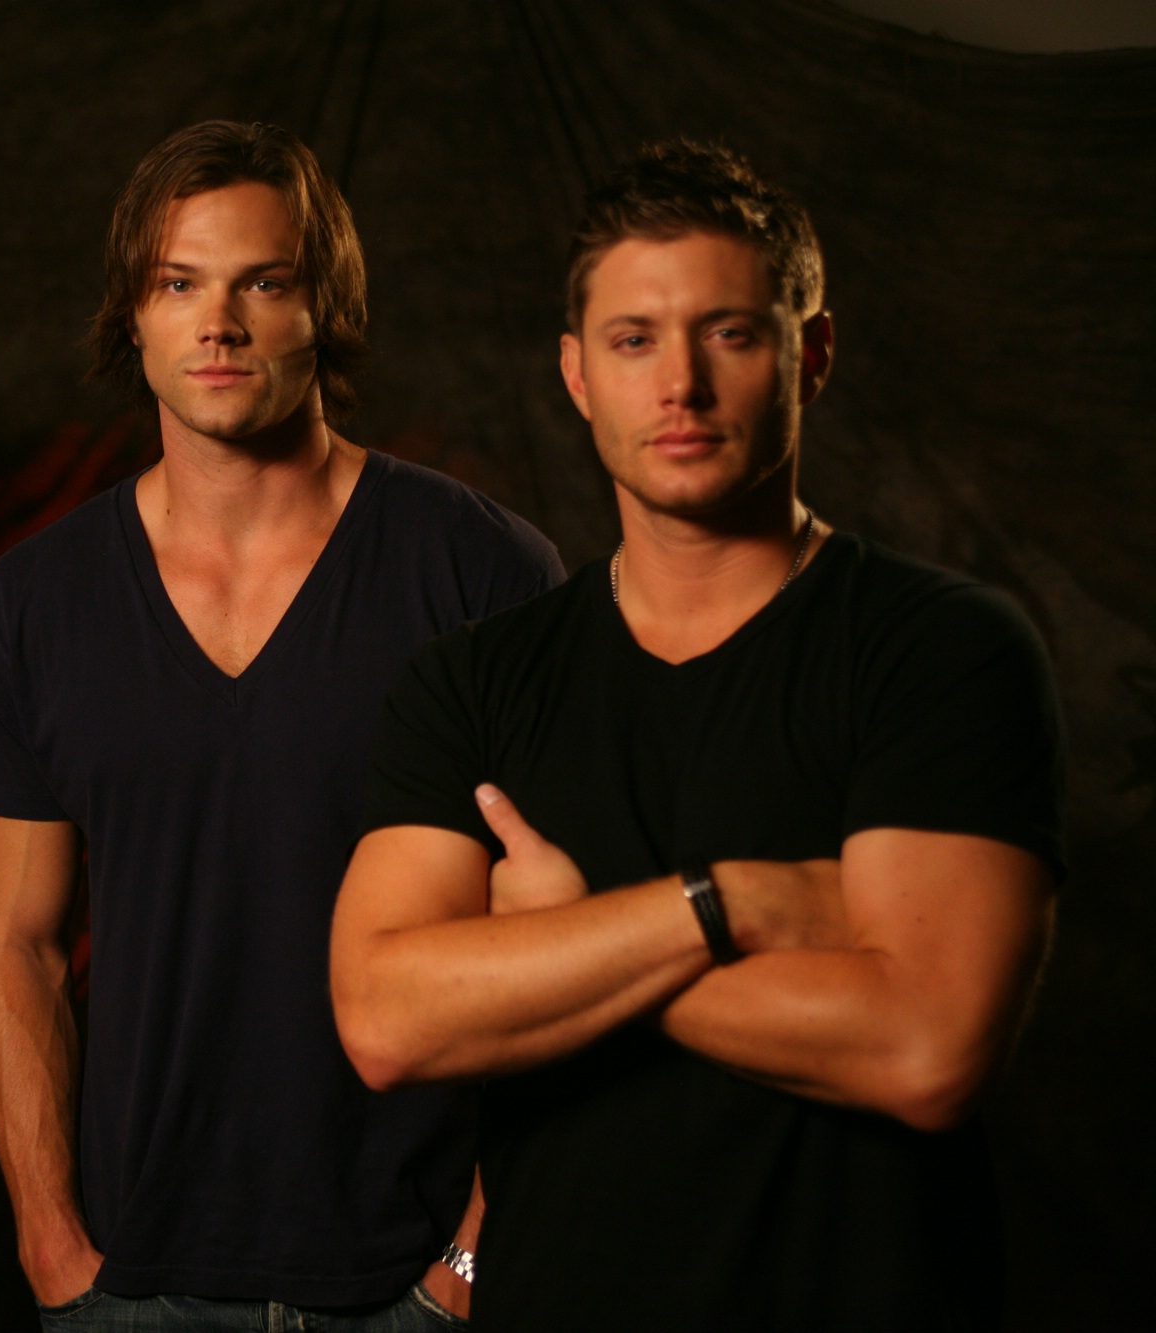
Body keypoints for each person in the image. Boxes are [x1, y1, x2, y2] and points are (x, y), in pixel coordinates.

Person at [332, 139, 1063, 1331]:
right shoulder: (472, 681)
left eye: (727, 332)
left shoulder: (940, 649)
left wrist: (563, 940)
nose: (678, 383)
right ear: (575, 373)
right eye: (632, 340)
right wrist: (725, 902)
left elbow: (924, 1049)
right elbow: (383, 1016)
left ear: (808, 353)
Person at [0, 121, 561, 1329]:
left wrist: (470, 1263)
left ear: (321, 308)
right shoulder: (39, 599)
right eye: (177, 283)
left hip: (407, 1283)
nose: (217, 324)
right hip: (132, 1288)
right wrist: (53, 1250)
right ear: (132, 317)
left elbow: (560, 937)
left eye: (262, 282)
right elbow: (14, 940)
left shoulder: (481, 572)